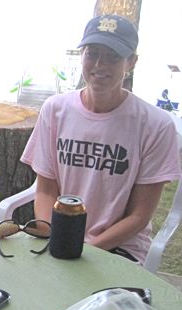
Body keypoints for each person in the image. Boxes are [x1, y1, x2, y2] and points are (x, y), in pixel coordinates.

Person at [21, 14, 181, 264]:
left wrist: (86, 250)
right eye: (92, 53)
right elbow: (45, 190)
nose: (100, 64)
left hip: (118, 247)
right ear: (82, 54)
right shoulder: (55, 109)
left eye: (113, 56)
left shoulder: (155, 124)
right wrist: (57, 239)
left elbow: (139, 216)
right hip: (59, 239)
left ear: (131, 62)